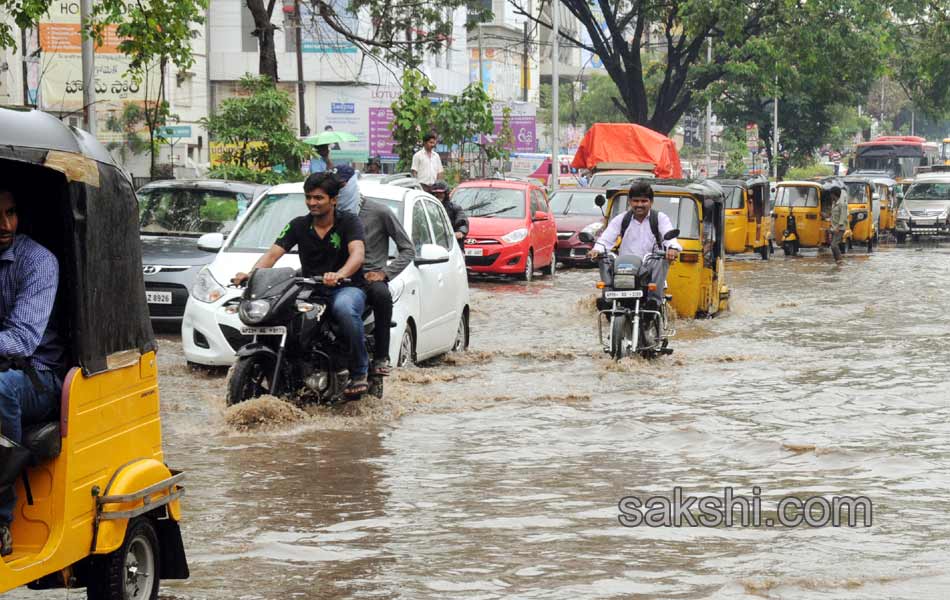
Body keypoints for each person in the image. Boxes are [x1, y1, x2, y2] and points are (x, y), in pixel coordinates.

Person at [231, 172, 369, 397]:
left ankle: (359, 371)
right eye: (308, 198)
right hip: (310, 288)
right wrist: (250, 274)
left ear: (333, 199)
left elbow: (358, 254)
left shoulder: (349, 222)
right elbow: (272, 255)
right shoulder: (298, 225)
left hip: (346, 286)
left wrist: (340, 274)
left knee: (344, 308)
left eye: (318, 198)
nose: (312, 203)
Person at [0, 189, 65, 557]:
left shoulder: (38, 261)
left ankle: (0, 518)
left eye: (11, 213)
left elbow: (23, 341)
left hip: (37, 377)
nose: (4, 225)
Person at [587, 181, 682, 308]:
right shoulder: (621, 219)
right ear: (630, 202)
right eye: (636, 201)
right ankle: (608, 298)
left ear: (651, 202)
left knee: (661, 259)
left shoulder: (660, 218)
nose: (639, 205)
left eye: (644, 201)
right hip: (624, 267)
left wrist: (672, 248)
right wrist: (596, 250)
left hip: (649, 265)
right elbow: (606, 239)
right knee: (604, 257)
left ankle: (654, 301)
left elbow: (669, 236)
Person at [356, 192, 415, 376]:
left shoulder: (379, 211)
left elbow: (408, 249)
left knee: (382, 295)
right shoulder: (327, 212)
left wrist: (385, 273)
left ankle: (381, 356)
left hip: (369, 277)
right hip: (337, 276)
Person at [429, 181, 468, 249]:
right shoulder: (428, 208)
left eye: (441, 193)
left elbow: (462, 222)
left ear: (446, 194)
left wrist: (460, 232)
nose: (438, 195)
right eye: (436, 193)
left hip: (452, 245)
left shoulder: (454, 208)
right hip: (433, 244)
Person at [829, 185, 848, 265]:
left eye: (831, 194)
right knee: (832, 245)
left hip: (839, 228)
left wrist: (838, 227)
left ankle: (840, 261)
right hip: (834, 227)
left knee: (834, 245)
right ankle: (837, 261)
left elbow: (843, 217)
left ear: (834, 194)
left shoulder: (842, 204)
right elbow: (833, 216)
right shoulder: (834, 203)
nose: (830, 196)